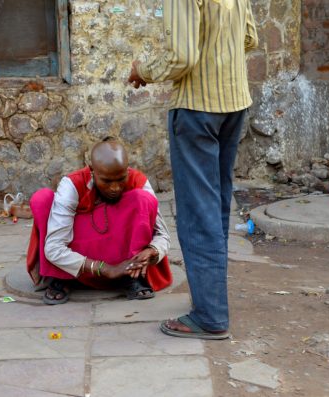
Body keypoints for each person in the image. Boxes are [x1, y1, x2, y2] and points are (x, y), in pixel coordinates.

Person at [128, 0, 258, 339]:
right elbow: (250, 38)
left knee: (198, 212)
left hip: (197, 106)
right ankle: (211, 303)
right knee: (215, 207)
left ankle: (210, 316)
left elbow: (181, 58)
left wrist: (143, 70)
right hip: (234, 102)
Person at [26, 138, 173, 304]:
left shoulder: (138, 180)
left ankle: (132, 276)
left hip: (122, 254)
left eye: (121, 179)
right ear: (92, 171)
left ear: (127, 170)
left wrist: (153, 250)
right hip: (81, 249)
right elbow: (53, 248)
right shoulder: (72, 184)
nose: (115, 188)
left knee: (143, 199)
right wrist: (104, 268)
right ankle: (62, 277)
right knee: (42, 200)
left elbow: (163, 235)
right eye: (107, 181)